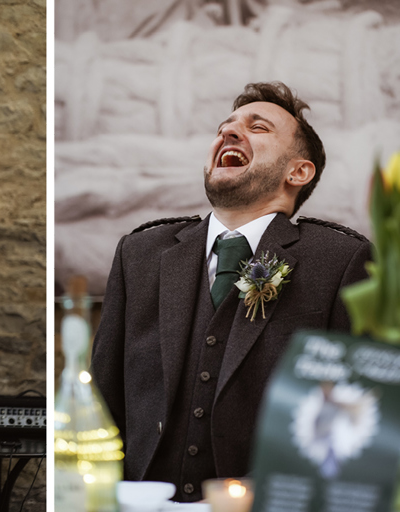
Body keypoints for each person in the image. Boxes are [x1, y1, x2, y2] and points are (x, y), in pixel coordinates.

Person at [90, 82, 373, 502]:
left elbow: (355, 413)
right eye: (226, 127)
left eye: (258, 128)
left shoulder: (341, 260)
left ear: (298, 172)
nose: (230, 132)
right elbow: (102, 398)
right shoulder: (142, 253)